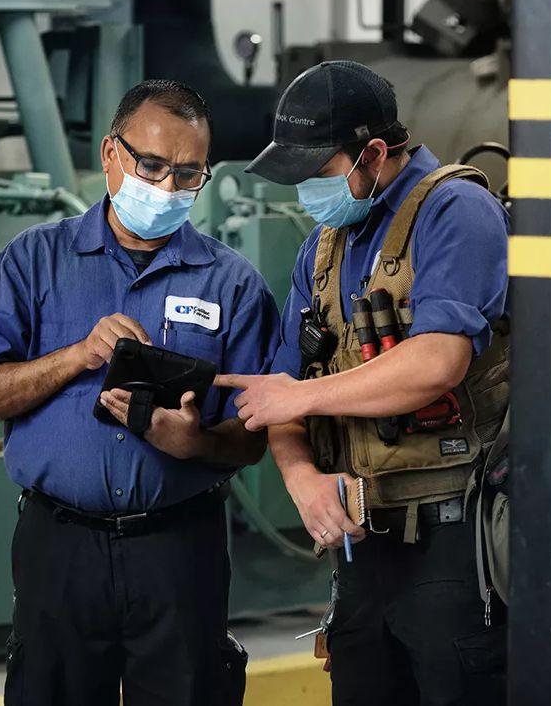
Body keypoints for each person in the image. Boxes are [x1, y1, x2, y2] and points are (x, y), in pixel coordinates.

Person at [0, 79, 282, 706]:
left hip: (179, 548)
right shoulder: (35, 261)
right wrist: (77, 356)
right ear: (110, 155)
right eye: (151, 166)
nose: (167, 188)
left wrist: (196, 442)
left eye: (188, 175)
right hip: (60, 545)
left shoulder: (232, 285)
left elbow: (254, 437)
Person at [216, 61, 510, 706]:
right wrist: (302, 481)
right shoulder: (325, 244)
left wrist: (299, 397)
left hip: (452, 549)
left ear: (375, 153)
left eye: (318, 173)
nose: (306, 193)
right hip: (359, 549)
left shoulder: (456, 210)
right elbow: (279, 389)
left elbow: (437, 361)